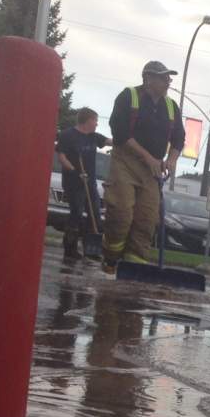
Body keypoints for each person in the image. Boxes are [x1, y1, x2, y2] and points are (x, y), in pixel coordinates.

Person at [101, 60, 185, 273]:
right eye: (164, 78)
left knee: (146, 221)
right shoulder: (129, 96)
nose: (168, 82)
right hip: (125, 163)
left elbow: (178, 140)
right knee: (121, 213)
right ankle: (110, 258)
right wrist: (147, 157)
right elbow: (120, 133)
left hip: (152, 171)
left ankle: (133, 269)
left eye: (169, 78)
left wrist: (172, 160)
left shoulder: (171, 106)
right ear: (148, 79)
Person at [56, 107, 108, 259]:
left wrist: (124, 139)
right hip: (74, 182)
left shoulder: (93, 136)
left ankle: (91, 249)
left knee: (95, 214)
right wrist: (75, 171)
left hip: (90, 182)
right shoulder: (68, 135)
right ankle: (70, 248)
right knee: (77, 213)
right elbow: (62, 157)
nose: (97, 124)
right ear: (88, 120)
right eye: (96, 121)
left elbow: (110, 141)